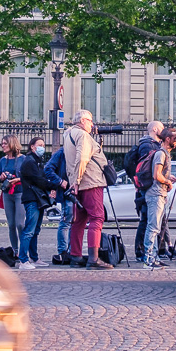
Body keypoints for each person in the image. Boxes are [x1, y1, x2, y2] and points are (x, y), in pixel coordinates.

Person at [65, 110, 113, 269]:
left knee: (79, 221)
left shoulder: (68, 135)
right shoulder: (83, 135)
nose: (92, 125)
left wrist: (74, 182)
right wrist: (77, 181)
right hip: (91, 182)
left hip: (78, 184)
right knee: (97, 218)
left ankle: (76, 256)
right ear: (83, 121)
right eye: (90, 121)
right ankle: (93, 259)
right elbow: (82, 158)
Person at [125, 122, 164, 262]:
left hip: (148, 186)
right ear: (154, 129)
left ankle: (155, 250)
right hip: (147, 187)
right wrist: (147, 183)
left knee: (151, 220)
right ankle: (141, 251)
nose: (163, 131)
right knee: (147, 220)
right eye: (161, 128)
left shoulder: (152, 144)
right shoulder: (148, 145)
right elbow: (145, 167)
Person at [143, 128, 176, 269]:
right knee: (153, 227)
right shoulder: (160, 154)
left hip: (160, 194)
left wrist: (168, 177)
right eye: (174, 138)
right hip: (156, 194)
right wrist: (168, 181)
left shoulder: (164, 154)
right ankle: (148, 259)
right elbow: (156, 175)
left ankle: (154, 257)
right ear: (167, 139)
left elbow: (160, 174)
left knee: (156, 227)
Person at [16, 138, 50, 269]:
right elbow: (39, 180)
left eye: (43, 145)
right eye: (39, 145)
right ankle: (23, 260)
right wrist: (55, 185)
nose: (42, 147)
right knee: (29, 230)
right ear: (32, 146)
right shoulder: (30, 161)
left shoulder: (36, 161)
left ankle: (34, 258)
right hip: (32, 198)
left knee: (35, 230)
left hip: (37, 198)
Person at [44, 144, 73, 263]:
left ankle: (71, 251)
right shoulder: (62, 153)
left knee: (72, 222)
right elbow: (48, 169)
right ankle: (64, 251)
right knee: (66, 221)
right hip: (67, 191)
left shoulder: (70, 152)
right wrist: (60, 181)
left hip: (73, 190)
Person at [0, 135, 25, 248]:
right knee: (11, 224)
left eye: (5, 143)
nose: (2, 145)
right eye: (2, 143)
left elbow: (28, 176)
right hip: (7, 193)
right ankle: (15, 250)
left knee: (20, 224)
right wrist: (2, 177)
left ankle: (23, 249)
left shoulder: (23, 159)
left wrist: (18, 179)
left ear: (12, 144)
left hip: (20, 192)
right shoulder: (3, 160)